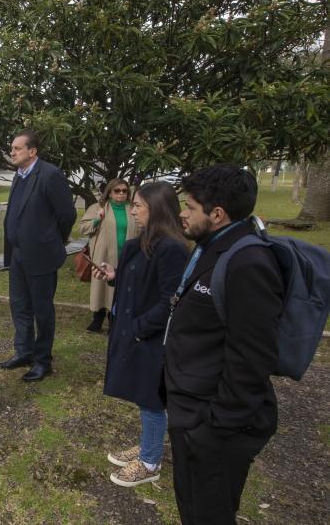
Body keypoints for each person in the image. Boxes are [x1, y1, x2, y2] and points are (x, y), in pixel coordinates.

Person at [164, 165, 283, 524]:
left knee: (207, 514)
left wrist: (212, 430)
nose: (182, 213)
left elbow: (253, 357)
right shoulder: (213, 246)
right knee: (192, 506)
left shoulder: (247, 262)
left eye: (189, 206)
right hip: (192, 409)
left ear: (217, 214)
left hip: (213, 425)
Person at [92, 182, 189, 487]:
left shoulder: (171, 247)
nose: (132, 210)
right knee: (142, 394)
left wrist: (137, 329)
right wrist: (113, 276)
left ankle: (150, 461)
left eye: (138, 206)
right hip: (135, 331)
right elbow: (139, 280)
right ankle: (149, 443)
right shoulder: (146, 239)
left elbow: (170, 300)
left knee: (151, 398)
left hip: (150, 337)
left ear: (156, 210)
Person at [0, 130, 77, 381]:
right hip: (18, 254)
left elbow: (67, 215)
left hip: (41, 255)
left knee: (42, 311)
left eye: (18, 148)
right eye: (12, 148)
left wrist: (54, 239)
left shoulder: (50, 174)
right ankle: (24, 351)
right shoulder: (19, 176)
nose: (12, 152)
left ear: (32, 151)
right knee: (20, 306)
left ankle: (43, 360)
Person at [79, 179, 137, 332]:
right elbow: (83, 228)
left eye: (124, 191)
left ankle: (114, 321)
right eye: (117, 190)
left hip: (126, 256)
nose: (121, 194)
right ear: (110, 192)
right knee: (101, 287)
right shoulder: (98, 207)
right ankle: (97, 320)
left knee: (121, 288)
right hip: (103, 256)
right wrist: (98, 219)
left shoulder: (133, 209)